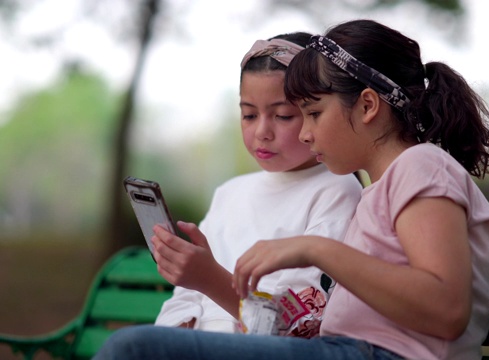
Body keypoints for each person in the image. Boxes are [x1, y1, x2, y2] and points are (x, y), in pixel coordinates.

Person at [95, 19, 489, 360]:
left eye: (311, 113)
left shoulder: (421, 165)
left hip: (371, 354)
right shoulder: (379, 189)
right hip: (341, 348)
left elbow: (447, 309)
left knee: (135, 349)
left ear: (366, 106)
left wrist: (314, 248)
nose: (305, 134)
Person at [152, 32, 363, 337]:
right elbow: (184, 297)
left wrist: (209, 278)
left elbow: (300, 321)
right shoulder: (229, 193)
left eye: (283, 115)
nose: (262, 131)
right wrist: (175, 328)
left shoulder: (335, 190)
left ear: (314, 111)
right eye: (249, 114)